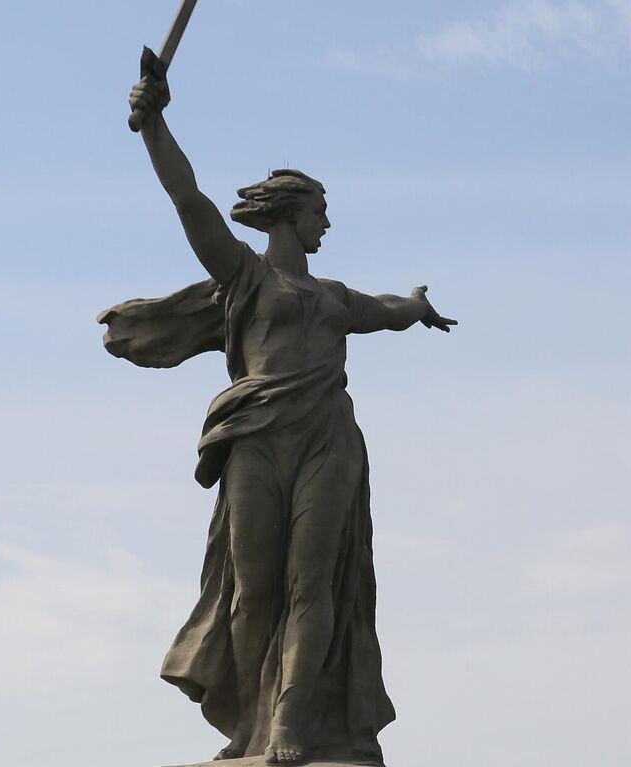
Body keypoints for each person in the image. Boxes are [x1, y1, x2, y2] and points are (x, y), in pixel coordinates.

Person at [101, 70, 455, 767]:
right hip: (256, 440)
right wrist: (155, 126)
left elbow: (390, 310)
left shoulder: (334, 296)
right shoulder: (245, 277)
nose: (328, 222)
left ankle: (291, 723)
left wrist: (417, 303)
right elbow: (187, 199)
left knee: (313, 582)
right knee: (254, 587)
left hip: (327, 439)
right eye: (321, 210)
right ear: (291, 214)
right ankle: (250, 724)